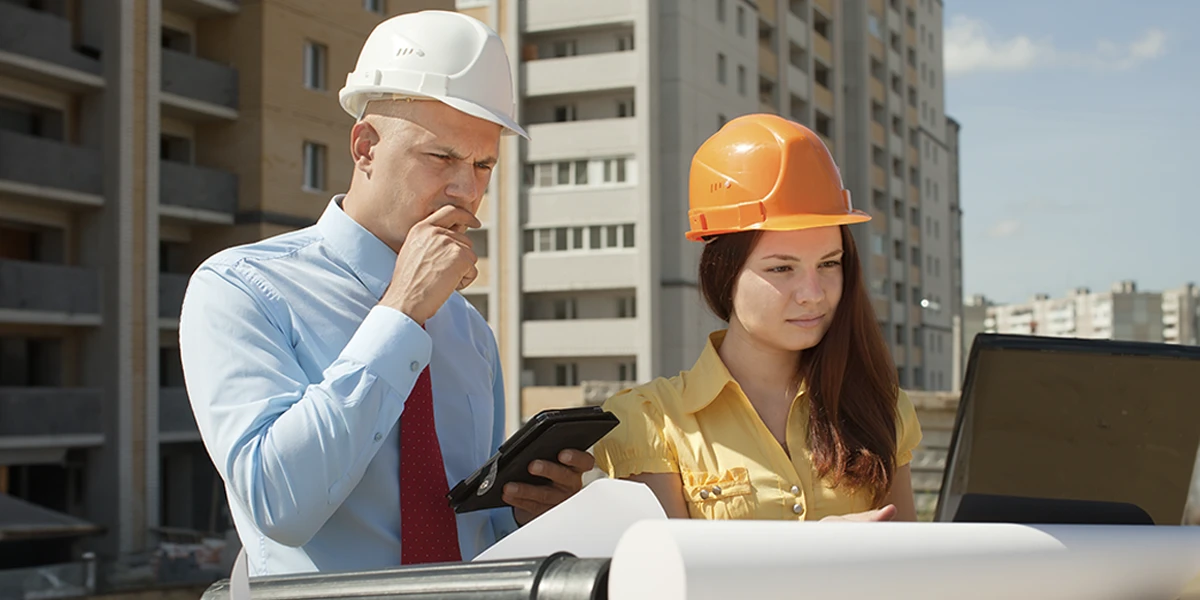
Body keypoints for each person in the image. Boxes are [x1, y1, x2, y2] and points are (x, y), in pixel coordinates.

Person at [179, 11, 593, 576]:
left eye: (483, 164)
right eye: (442, 157)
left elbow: (472, 526)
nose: (466, 189)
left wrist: (527, 513)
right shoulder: (241, 288)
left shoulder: (470, 331)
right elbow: (278, 504)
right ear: (365, 146)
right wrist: (400, 312)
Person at [593, 114, 922, 522]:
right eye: (781, 269)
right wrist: (818, 549)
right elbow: (669, 578)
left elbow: (914, 573)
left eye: (829, 264)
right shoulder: (650, 421)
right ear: (723, 273)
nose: (813, 294)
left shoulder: (879, 408)